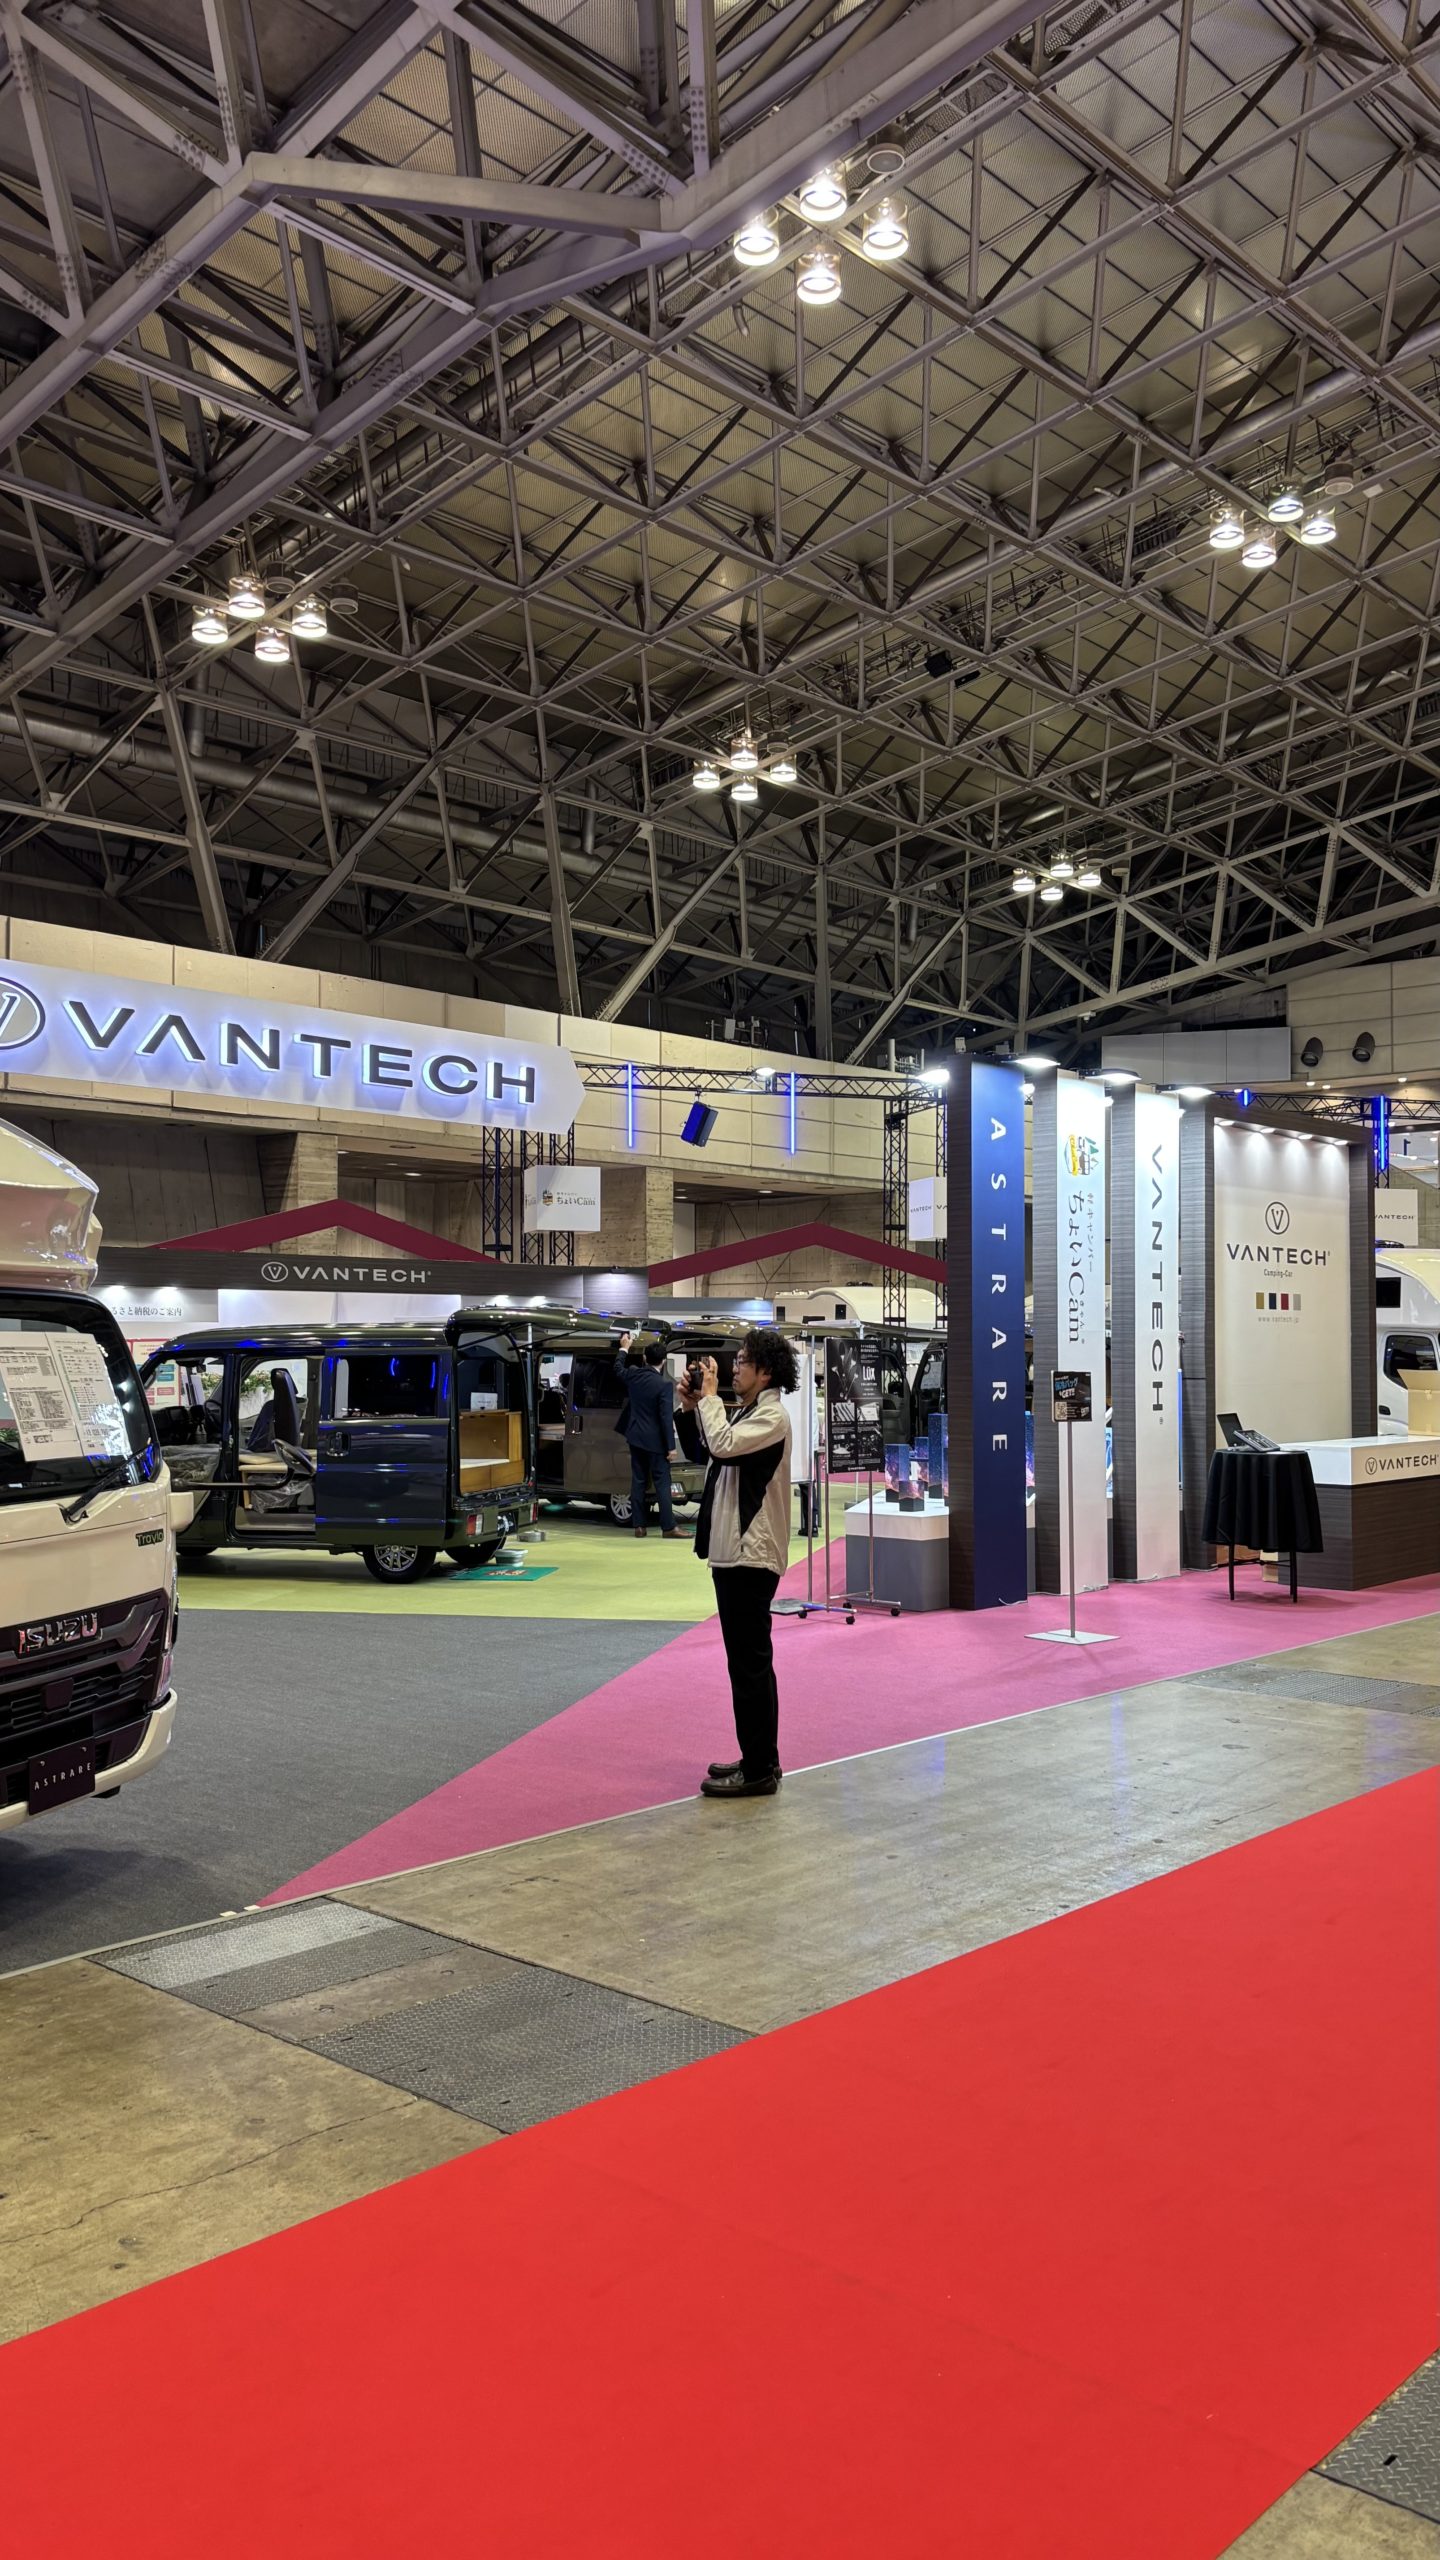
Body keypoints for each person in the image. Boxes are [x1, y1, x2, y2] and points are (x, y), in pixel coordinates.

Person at [676, 1328, 795, 1799]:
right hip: (738, 1552)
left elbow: (723, 1444)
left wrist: (707, 1400)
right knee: (750, 1663)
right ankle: (760, 1758)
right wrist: (692, 1406)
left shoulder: (772, 1417)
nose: (734, 1368)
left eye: (743, 1360)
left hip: (751, 1554)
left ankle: (759, 1769)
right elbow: (705, 1451)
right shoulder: (749, 1412)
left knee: (749, 1665)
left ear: (765, 1371)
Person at [614, 1333, 684, 1539]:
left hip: (635, 1437)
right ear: (664, 1361)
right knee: (662, 1482)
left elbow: (617, 1368)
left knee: (638, 1480)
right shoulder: (663, 1385)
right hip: (656, 1442)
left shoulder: (634, 1375)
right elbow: (665, 1418)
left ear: (645, 1358)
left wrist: (624, 1348)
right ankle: (668, 1527)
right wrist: (671, 1447)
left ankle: (639, 1526)